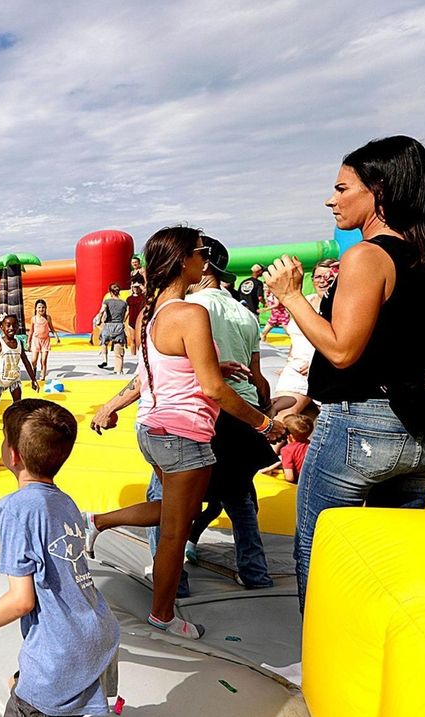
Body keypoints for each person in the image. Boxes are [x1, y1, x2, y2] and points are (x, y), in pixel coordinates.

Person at [264, 135, 425, 610]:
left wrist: (291, 296)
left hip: (360, 427)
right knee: (390, 564)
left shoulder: (367, 255)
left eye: (343, 187)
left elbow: (343, 351)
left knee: (323, 556)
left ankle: (319, 672)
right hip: (423, 431)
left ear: (380, 191)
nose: (333, 199)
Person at [84, 227, 283, 639]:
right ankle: (163, 614)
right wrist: (264, 423)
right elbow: (213, 389)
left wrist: (214, 367)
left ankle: (98, 521)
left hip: (153, 429)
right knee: (177, 530)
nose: (204, 259)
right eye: (200, 251)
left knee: (177, 510)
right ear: (182, 260)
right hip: (183, 434)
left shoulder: (153, 312)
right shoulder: (191, 314)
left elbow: (161, 369)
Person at [0, 399, 120, 717]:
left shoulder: (15, 508)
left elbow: (22, 600)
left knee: (29, 706)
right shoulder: (66, 501)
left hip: (61, 651)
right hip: (97, 633)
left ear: (12, 454)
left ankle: (31, 690)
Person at [141, 234, 277, 595]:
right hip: (237, 412)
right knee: (240, 498)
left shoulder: (185, 310)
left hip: (201, 418)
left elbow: (203, 383)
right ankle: (255, 571)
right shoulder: (245, 313)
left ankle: (170, 583)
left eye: (203, 252)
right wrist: (262, 419)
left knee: (167, 504)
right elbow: (257, 377)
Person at [270, 260, 336, 420]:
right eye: (318, 276)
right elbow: (297, 337)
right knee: (280, 417)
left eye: (329, 278)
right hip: (296, 370)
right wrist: (288, 362)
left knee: (318, 424)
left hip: (324, 371)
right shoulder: (305, 301)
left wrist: (318, 361)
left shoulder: (339, 305)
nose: (323, 281)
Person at [0, 315, 39, 424]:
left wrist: (33, 379)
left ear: (18, 327)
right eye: (8, 325)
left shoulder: (19, 343)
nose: (11, 328)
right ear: (1, 327)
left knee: (17, 403)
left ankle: (17, 421)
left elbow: (26, 362)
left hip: (14, 379)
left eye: (14, 325)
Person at [28, 299, 60, 385]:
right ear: (35, 309)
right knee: (34, 360)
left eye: (43, 307)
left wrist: (56, 336)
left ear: (45, 308)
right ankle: (34, 369)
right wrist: (29, 342)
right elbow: (31, 331)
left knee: (43, 360)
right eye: (39, 307)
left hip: (45, 341)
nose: (41, 309)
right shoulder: (33, 319)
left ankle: (42, 377)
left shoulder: (48, 318)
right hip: (36, 340)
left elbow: (52, 328)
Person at [97, 283, 128, 372]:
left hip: (109, 325)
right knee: (119, 351)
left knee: (103, 341)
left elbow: (102, 311)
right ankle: (118, 370)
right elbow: (126, 313)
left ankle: (104, 359)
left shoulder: (107, 301)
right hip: (119, 326)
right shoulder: (124, 303)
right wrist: (123, 320)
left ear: (110, 292)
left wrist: (99, 320)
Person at [125, 277, 146, 352]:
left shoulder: (143, 297)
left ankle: (141, 355)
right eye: (134, 287)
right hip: (132, 321)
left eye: (137, 287)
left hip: (140, 320)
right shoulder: (129, 299)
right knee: (132, 339)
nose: (136, 289)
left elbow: (147, 291)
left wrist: (141, 286)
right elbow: (127, 310)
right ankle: (133, 356)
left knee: (140, 339)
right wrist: (123, 320)